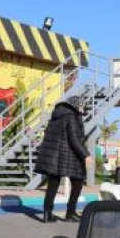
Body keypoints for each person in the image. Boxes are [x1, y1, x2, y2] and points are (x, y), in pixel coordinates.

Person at [35, 94, 90, 223]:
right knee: (78, 181)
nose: (83, 108)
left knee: (53, 184)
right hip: (68, 155)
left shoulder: (57, 115)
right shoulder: (71, 117)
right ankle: (70, 213)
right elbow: (74, 139)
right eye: (81, 105)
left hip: (55, 155)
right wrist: (85, 155)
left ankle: (47, 214)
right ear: (76, 105)